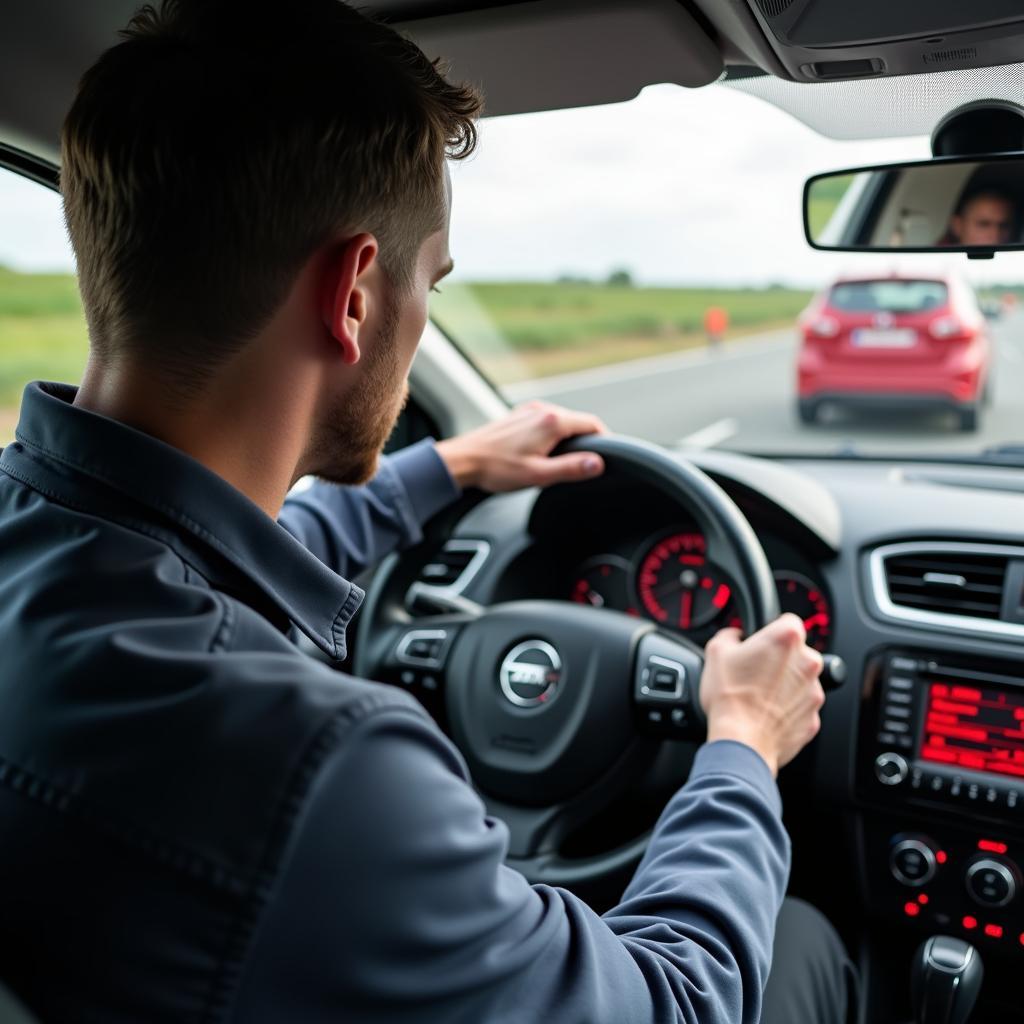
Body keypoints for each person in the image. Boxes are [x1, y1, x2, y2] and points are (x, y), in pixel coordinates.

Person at [0, 1, 854, 1022]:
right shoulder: (324, 768)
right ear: (354, 295)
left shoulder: (59, 564)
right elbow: (676, 998)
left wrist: (443, 469)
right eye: (431, 285)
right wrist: (742, 743)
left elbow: (212, 561)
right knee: (803, 936)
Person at [939, 186, 1017, 246]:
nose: (995, 236)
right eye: (984, 224)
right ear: (957, 226)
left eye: (1004, 226)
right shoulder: (934, 262)